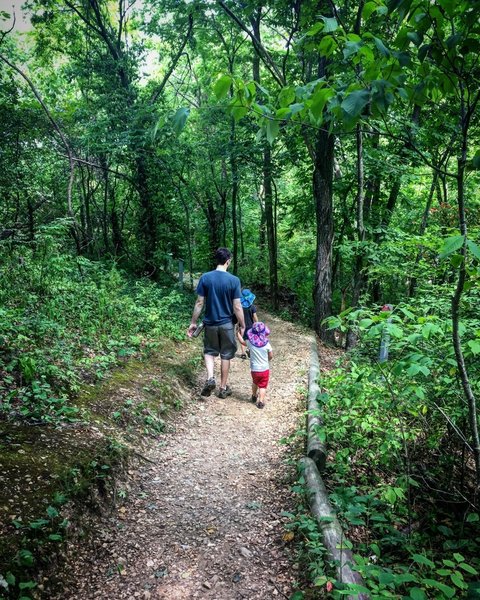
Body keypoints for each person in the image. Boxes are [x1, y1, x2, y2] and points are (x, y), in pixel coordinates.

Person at [187, 248, 245, 399]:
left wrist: (193, 322)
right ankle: (223, 388)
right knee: (226, 355)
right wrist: (242, 324)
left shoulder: (205, 278)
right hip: (227, 324)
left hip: (210, 323)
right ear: (228, 261)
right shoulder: (234, 280)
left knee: (209, 351)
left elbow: (199, 303)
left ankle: (210, 378)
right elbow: (237, 306)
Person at [239, 321, 273, 409]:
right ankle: (261, 401)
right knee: (263, 386)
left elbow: (242, 342)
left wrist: (238, 334)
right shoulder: (267, 344)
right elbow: (271, 355)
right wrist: (267, 360)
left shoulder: (250, 343)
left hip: (254, 370)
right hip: (265, 369)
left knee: (255, 382)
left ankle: (254, 395)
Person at [236, 288, 258, 359]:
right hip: (251, 325)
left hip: (242, 325)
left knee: (242, 338)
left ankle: (243, 353)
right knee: (250, 339)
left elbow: (238, 317)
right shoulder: (252, 307)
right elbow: (254, 317)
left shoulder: (240, 307)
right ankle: (249, 349)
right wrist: (257, 323)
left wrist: (237, 324)